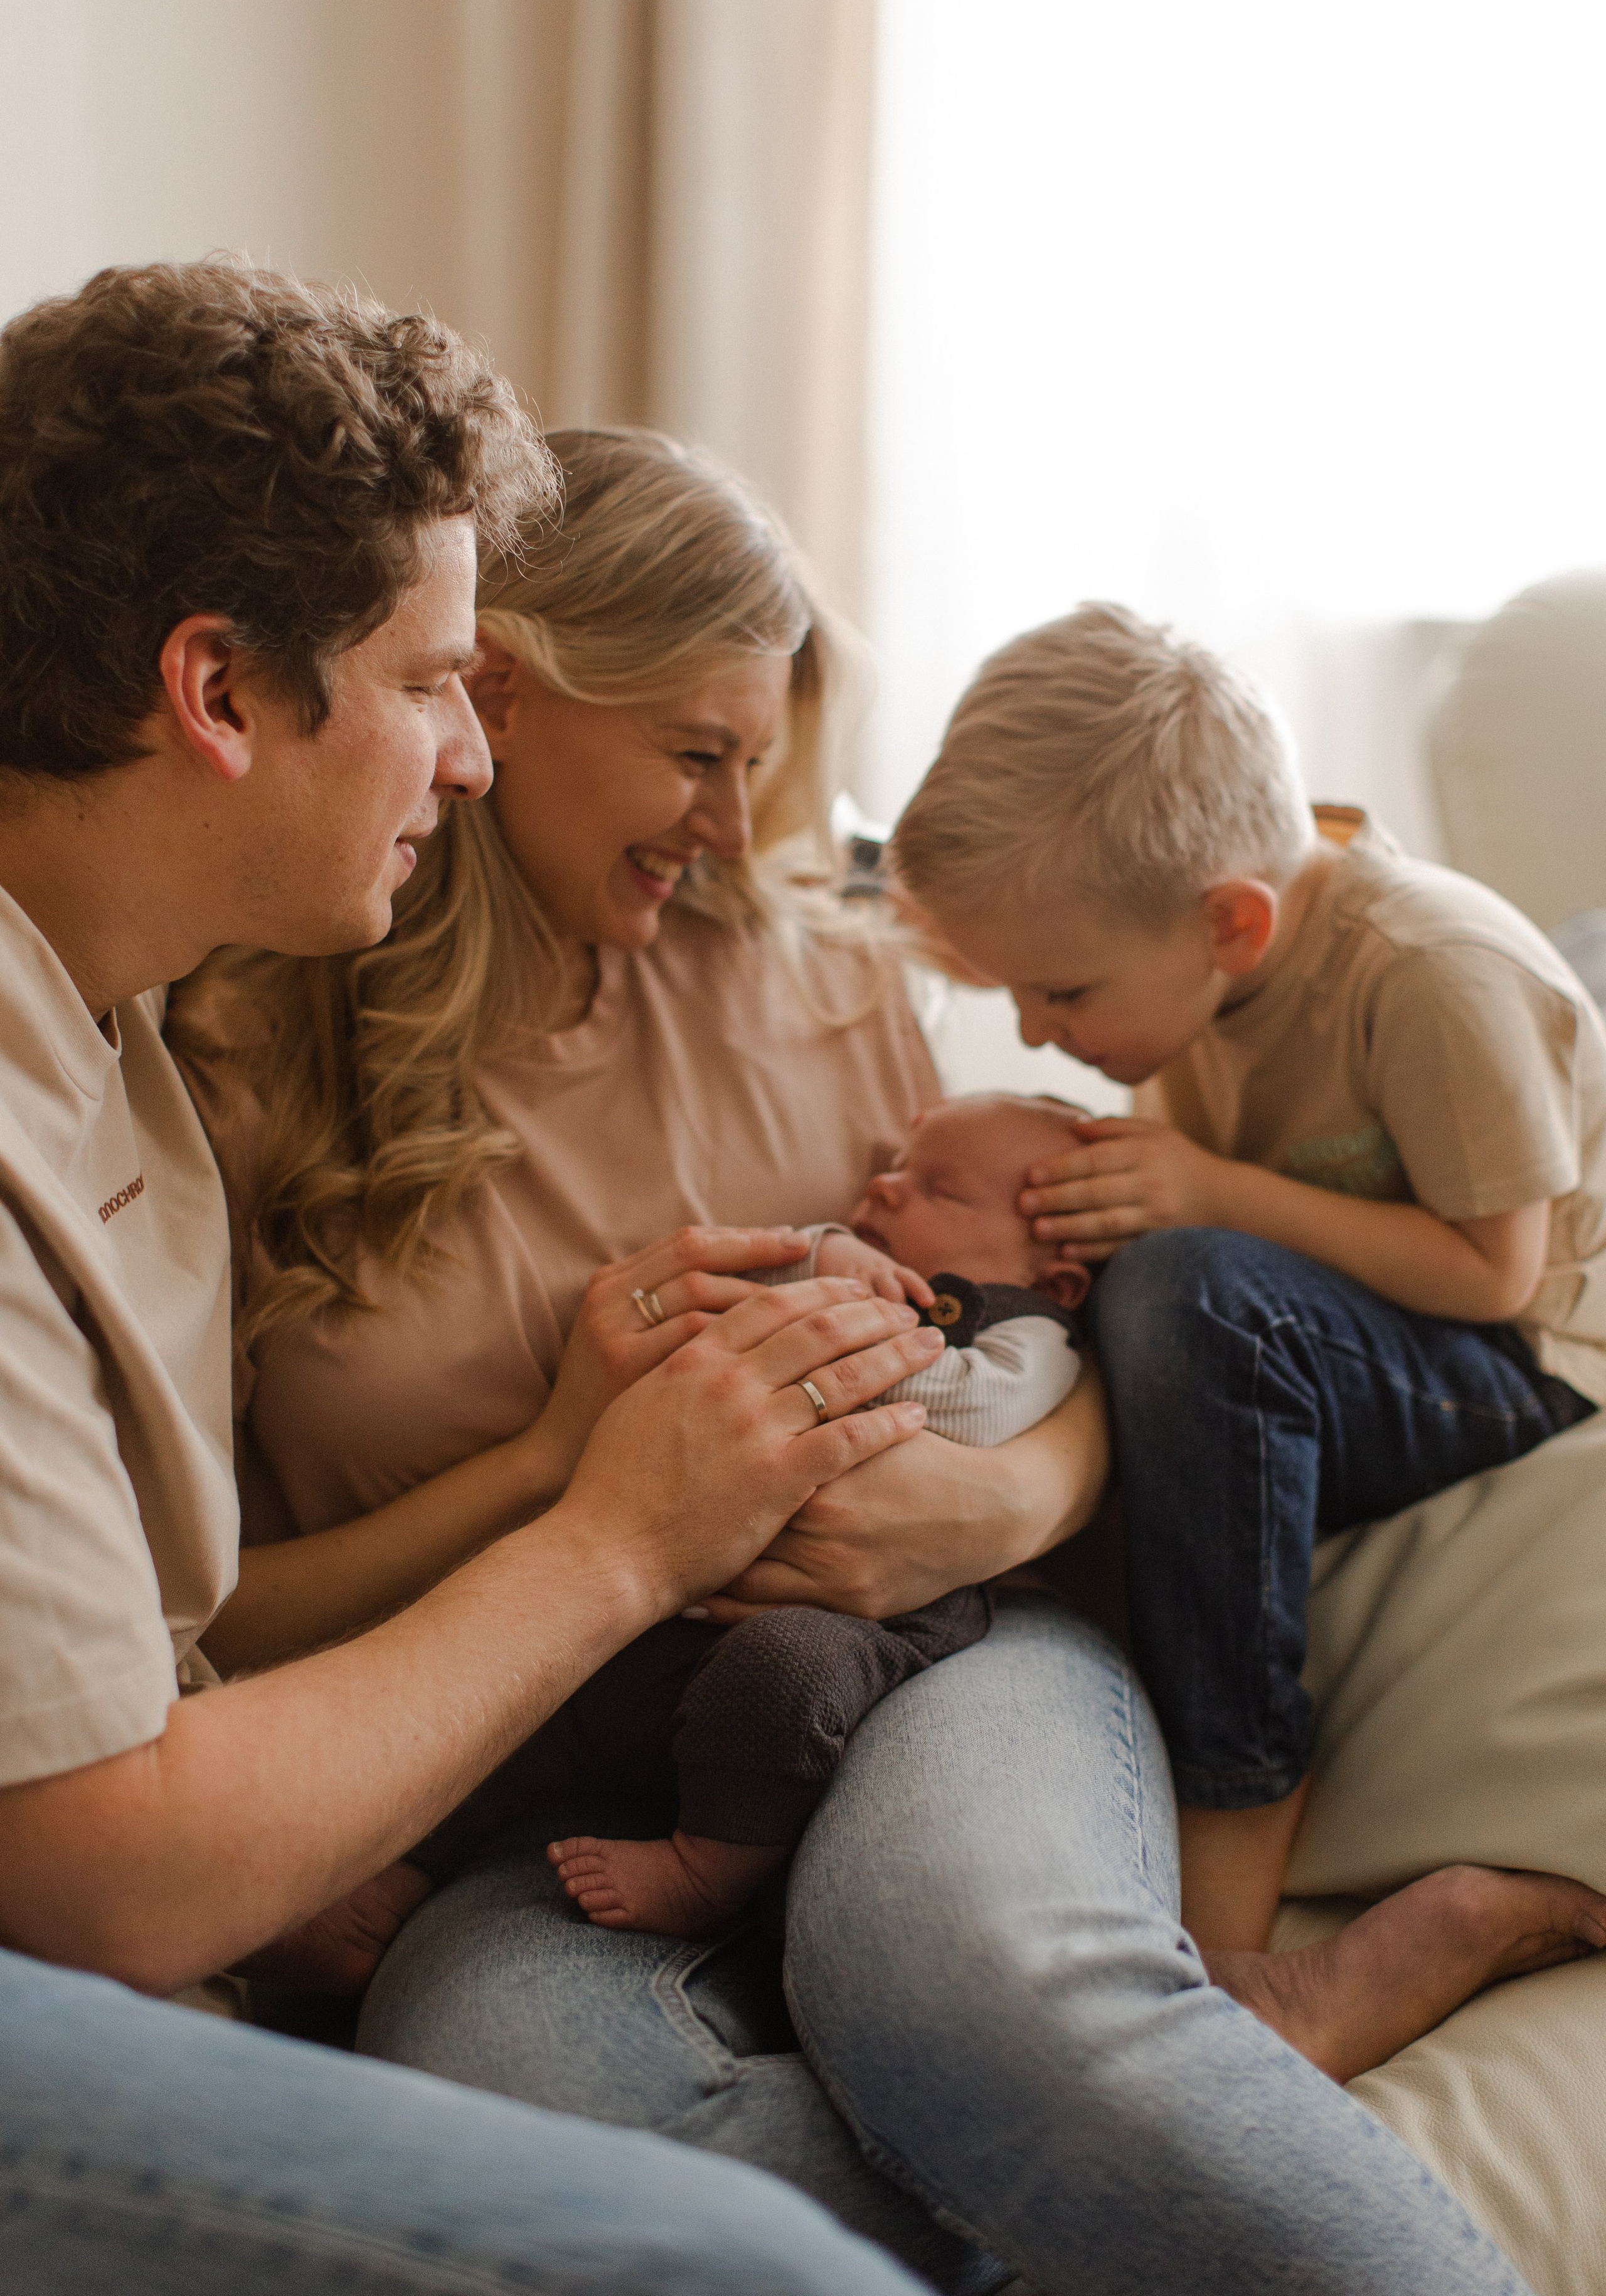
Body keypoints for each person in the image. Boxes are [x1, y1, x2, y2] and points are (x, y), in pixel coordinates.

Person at [176, 429, 1541, 2296]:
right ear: (502, 695)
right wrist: (562, 1476)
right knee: (520, 2095)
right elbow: (223, 1623)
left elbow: (1087, 1332)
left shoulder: (822, 977)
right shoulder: (247, 1050)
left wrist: (990, 1501)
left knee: (968, 1973)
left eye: (765, 761)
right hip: (550, 1771)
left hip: (953, 1650)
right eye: (701, 755)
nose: (742, 825)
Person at [0, 259, 940, 2296]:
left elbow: (168, 1659)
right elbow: (116, 1869)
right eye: (434, 685)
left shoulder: (112, 1026)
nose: (475, 759)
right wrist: (612, 1530)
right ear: (220, 692)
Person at [892, 598, 1606, 2075]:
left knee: (1184, 1289)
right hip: (1350, 1338)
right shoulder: (1200, 972)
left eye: (1062, 990)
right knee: (1123, 1282)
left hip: (1525, 1361)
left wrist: (1211, 1194)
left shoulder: (1427, 970)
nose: (1032, 1029)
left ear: (1230, 922)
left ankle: (1232, 1876)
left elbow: (1492, 1274)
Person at [546, 1091, 1092, 1937]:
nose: (885, 1189)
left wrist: (843, 1329)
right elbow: (735, 1289)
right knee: (554, 1666)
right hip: (695, 1586)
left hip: (884, 1617)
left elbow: (978, 1412)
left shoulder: (1033, 1334)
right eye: (896, 1171)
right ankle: (415, 1858)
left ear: (1049, 1276)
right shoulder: (846, 1268)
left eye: (939, 1190)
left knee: (784, 1674)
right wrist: (821, 1254)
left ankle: (707, 1869)